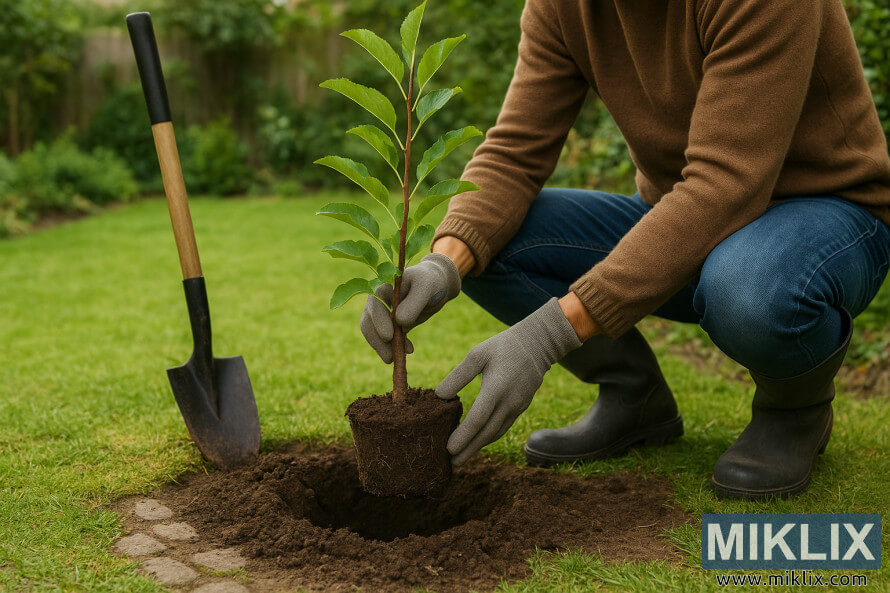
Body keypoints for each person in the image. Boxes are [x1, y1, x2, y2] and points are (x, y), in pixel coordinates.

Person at [360, 0, 890, 499]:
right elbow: (514, 152)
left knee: (750, 287)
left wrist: (549, 334)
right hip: (687, 210)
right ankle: (633, 397)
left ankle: (795, 412)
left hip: (827, 215)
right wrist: (442, 263)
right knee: (491, 236)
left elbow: (726, 183)